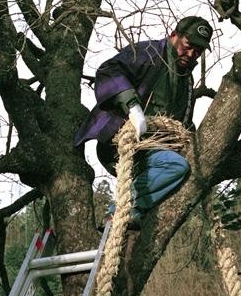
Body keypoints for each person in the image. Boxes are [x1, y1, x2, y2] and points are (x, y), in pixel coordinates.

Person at [74, 16, 214, 225]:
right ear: (174, 36)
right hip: (121, 143)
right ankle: (120, 211)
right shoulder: (149, 52)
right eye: (188, 45)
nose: (192, 53)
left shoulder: (186, 80)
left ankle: (135, 214)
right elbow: (109, 70)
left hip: (153, 150)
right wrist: (132, 106)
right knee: (176, 167)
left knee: (178, 168)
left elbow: (182, 122)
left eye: (198, 50)